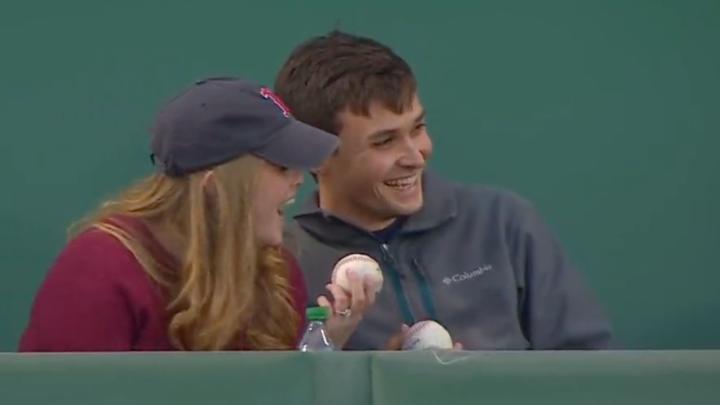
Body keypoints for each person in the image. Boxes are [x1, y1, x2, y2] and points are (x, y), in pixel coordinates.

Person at [274, 31, 612, 350]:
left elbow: (591, 367)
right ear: (316, 155)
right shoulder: (283, 264)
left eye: (418, 128)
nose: (415, 155)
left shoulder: (504, 223)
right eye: (385, 141)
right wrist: (375, 381)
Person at [19, 76, 375, 351]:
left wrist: (327, 341)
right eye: (281, 166)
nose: (299, 179)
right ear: (213, 188)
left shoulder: (277, 272)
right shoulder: (101, 270)